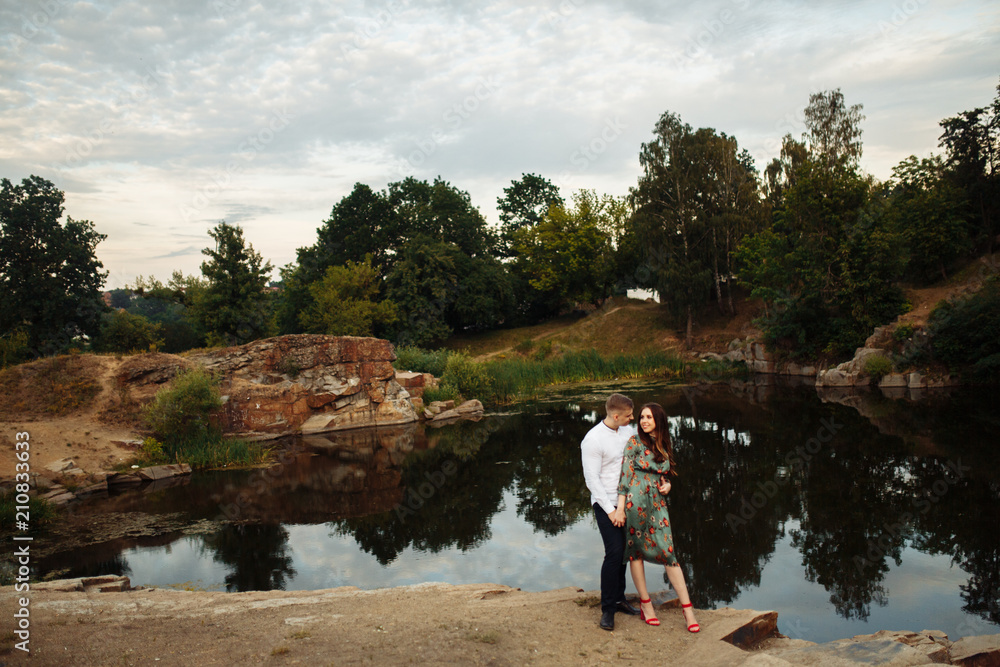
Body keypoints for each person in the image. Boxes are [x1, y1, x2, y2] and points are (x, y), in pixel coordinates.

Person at [612, 402, 700, 633]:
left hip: (658, 504)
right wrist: (620, 509)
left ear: (659, 420)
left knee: (668, 553)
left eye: (649, 417)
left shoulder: (663, 445)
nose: (643, 421)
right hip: (635, 503)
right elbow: (624, 477)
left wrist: (668, 485)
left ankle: (688, 609)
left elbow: (665, 475)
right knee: (636, 552)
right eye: (641, 417)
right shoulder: (634, 443)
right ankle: (646, 604)